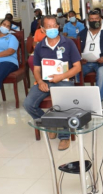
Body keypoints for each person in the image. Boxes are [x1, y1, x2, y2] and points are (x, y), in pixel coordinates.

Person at [23, 16, 82, 151]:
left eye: (54, 25)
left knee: (62, 104)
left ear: (58, 26)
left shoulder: (68, 43)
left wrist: (61, 76)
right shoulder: (39, 47)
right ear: (43, 30)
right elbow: (36, 69)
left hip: (64, 80)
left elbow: (77, 67)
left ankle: (64, 136)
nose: (53, 28)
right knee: (28, 104)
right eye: (49, 26)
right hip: (46, 81)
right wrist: (39, 81)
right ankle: (50, 124)